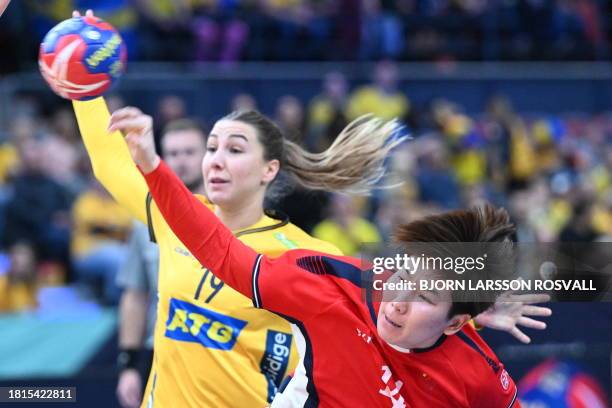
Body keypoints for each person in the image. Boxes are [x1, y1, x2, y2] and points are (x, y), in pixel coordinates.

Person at [125, 127, 534, 405]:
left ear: (455, 323)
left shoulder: (478, 376)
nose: (397, 300)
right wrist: (151, 166)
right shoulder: (330, 289)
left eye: (425, 297)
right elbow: (219, 252)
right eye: (402, 277)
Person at [115, 118, 207, 408]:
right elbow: (135, 295)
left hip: (223, 351)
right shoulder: (146, 219)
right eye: (173, 154)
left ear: (208, 155)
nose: (181, 161)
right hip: (162, 351)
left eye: (190, 152)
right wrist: (129, 364)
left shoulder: (233, 213)